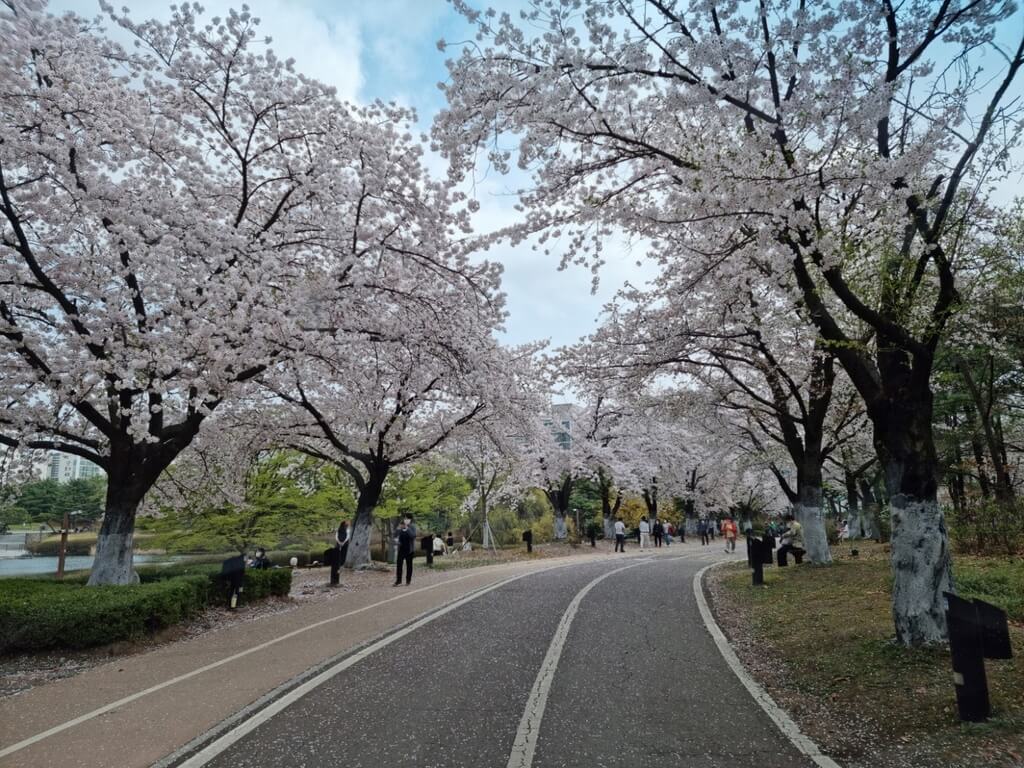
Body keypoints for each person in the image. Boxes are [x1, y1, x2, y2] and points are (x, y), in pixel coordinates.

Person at [393, 518, 415, 586]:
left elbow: (412, 536)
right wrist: (396, 542)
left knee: (409, 566)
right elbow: (395, 537)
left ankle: (408, 580)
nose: (402, 526)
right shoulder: (399, 531)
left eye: (403, 524)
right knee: (399, 565)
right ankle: (398, 580)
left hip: (409, 550)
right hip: (401, 550)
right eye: (401, 524)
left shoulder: (410, 529)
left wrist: (407, 528)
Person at [331, 520, 350, 586]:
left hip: (343, 543)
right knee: (338, 554)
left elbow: (347, 537)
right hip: (342, 543)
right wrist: (341, 542)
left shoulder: (347, 530)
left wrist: (341, 542)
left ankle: (341, 564)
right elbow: (337, 536)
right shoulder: (339, 530)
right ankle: (339, 564)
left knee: (343, 554)